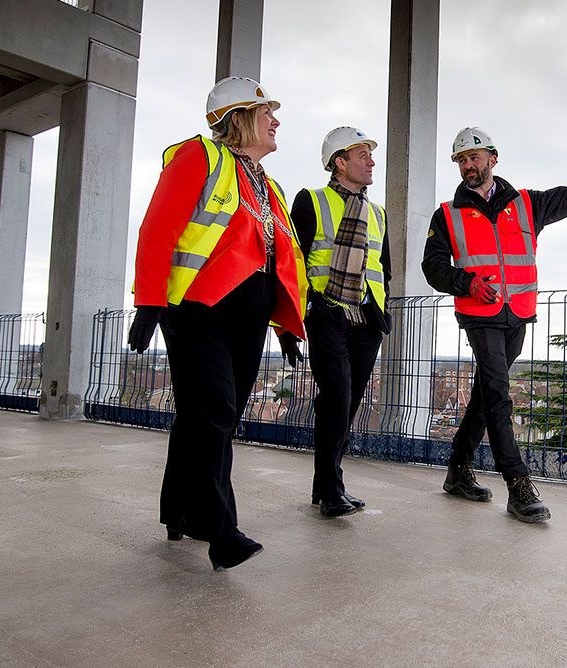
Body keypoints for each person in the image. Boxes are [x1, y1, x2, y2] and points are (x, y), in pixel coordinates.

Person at [422, 125, 567, 522]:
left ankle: (458, 470)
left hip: (517, 316)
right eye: (461, 160)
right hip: (479, 317)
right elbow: (432, 267)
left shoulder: (529, 204)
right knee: (498, 394)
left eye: (474, 158)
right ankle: (518, 485)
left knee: (484, 393)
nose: (467, 166)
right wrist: (467, 282)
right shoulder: (447, 214)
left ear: (493, 159)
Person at [127, 76, 308, 570]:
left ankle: (178, 511)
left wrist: (286, 325)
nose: (275, 120)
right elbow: (158, 228)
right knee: (214, 412)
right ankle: (220, 530)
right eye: (266, 111)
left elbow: (277, 259)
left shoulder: (268, 184)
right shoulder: (198, 158)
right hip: (198, 311)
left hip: (248, 321)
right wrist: (149, 302)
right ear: (241, 116)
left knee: (207, 418)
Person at [283, 127, 392, 518]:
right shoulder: (311, 201)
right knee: (338, 397)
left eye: (370, 155)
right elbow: (291, 261)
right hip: (327, 314)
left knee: (349, 403)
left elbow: (384, 267)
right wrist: (301, 313)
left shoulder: (378, 213)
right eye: (362, 154)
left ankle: (326, 483)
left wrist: (381, 314)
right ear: (339, 162)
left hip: (366, 320)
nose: (371, 161)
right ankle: (331, 489)